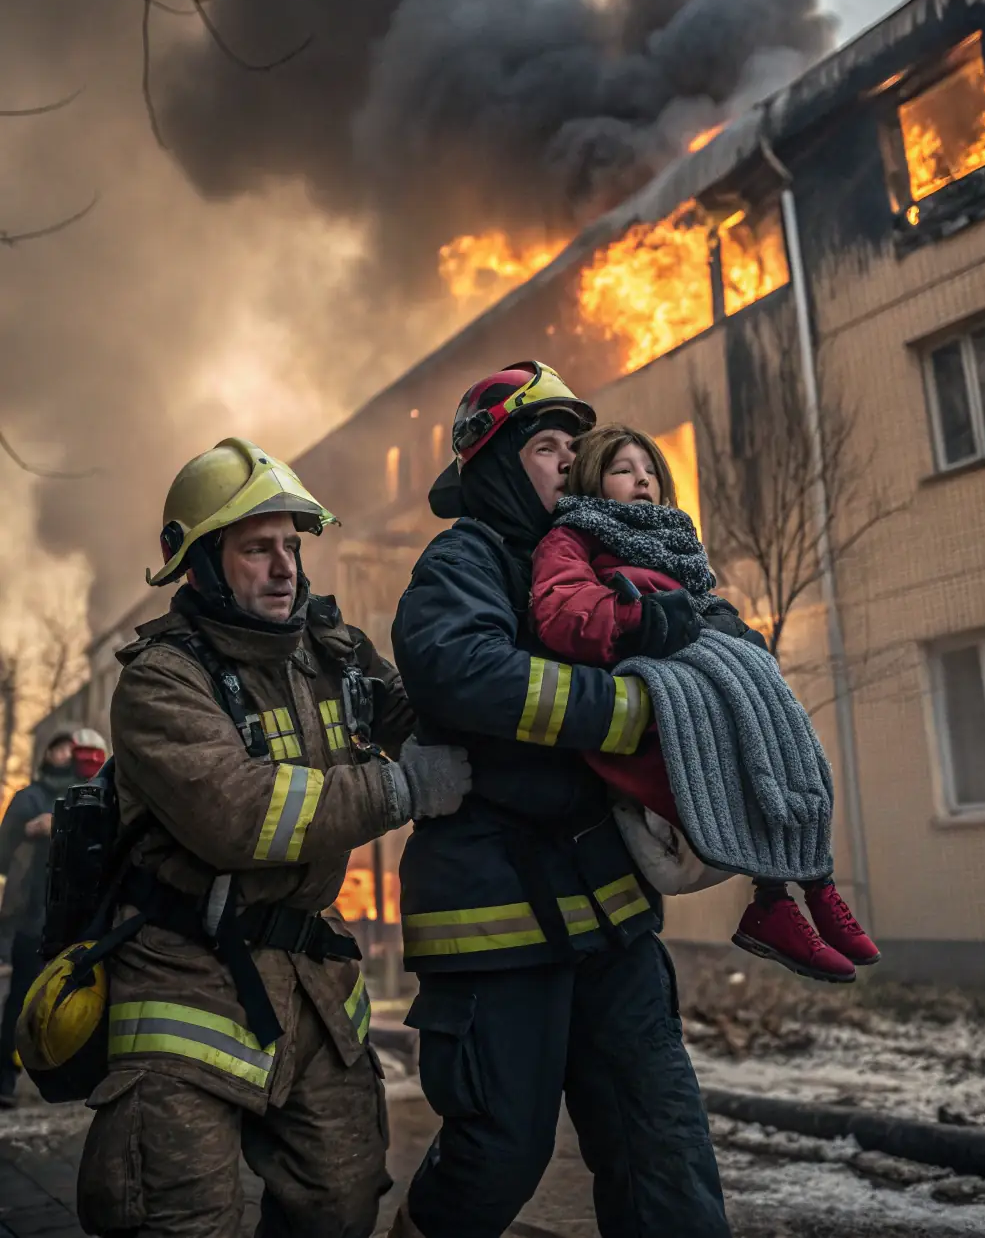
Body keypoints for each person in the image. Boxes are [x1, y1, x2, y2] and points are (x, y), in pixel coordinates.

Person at [74, 438, 471, 1238]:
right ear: (200, 562)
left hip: (312, 988)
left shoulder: (333, 655)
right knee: (184, 1218)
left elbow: (436, 714)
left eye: (292, 545)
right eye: (258, 548)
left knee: (343, 1198)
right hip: (184, 983)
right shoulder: (160, 679)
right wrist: (399, 787)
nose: (285, 566)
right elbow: (239, 812)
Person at [390, 364, 731, 1238]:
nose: (568, 463)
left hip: (608, 910)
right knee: (500, 1152)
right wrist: (622, 711)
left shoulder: (602, 551)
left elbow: (707, 624)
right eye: (547, 448)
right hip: (495, 914)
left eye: (576, 448)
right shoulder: (463, 561)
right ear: (498, 461)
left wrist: (722, 663)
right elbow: (462, 669)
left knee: (663, 1145)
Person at [531, 423, 880, 982]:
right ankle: (775, 902)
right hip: (649, 678)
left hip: (697, 658)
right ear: (594, 479)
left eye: (649, 471)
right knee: (730, 696)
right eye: (623, 470)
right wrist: (634, 617)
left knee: (775, 708)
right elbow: (562, 609)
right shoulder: (572, 539)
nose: (642, 479)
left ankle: (806, 886)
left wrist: (732, 628)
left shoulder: (675, 544)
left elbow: (701, 605)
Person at [0, 728, 106, 1107]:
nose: (71, 755)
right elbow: (3, 850)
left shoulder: (100, 795)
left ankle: (73, 1073)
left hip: (84, 918)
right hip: (34, 915)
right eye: (63, 747)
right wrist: (30, 831)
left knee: (82, 995)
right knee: (24, 997)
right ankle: (5, 1078)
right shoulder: (30, 798)